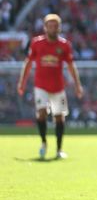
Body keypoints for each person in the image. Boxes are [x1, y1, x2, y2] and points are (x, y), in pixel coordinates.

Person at [17, 13, 83, 159]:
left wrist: (78, 85)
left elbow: (71, 66)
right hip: (40, 86)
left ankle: (59, 149)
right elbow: (28, 63)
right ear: (45, 27)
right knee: (41, 112)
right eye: (50, 26)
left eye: (55, 26)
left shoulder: (64, 45)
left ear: (59, 28)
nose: (53, 28)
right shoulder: (36, 43)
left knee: (59, 117)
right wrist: (22, 82)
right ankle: (43, 142)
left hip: (59, 87)